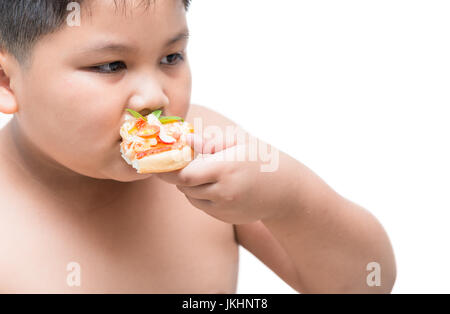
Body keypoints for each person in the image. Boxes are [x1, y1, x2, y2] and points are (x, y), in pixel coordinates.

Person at [0, 0, 396, 293]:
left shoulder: (210, 146)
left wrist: (288, 199)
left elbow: (366, 283)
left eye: (171, 57)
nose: (154, 97)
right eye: (111, 66)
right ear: (6, 80)